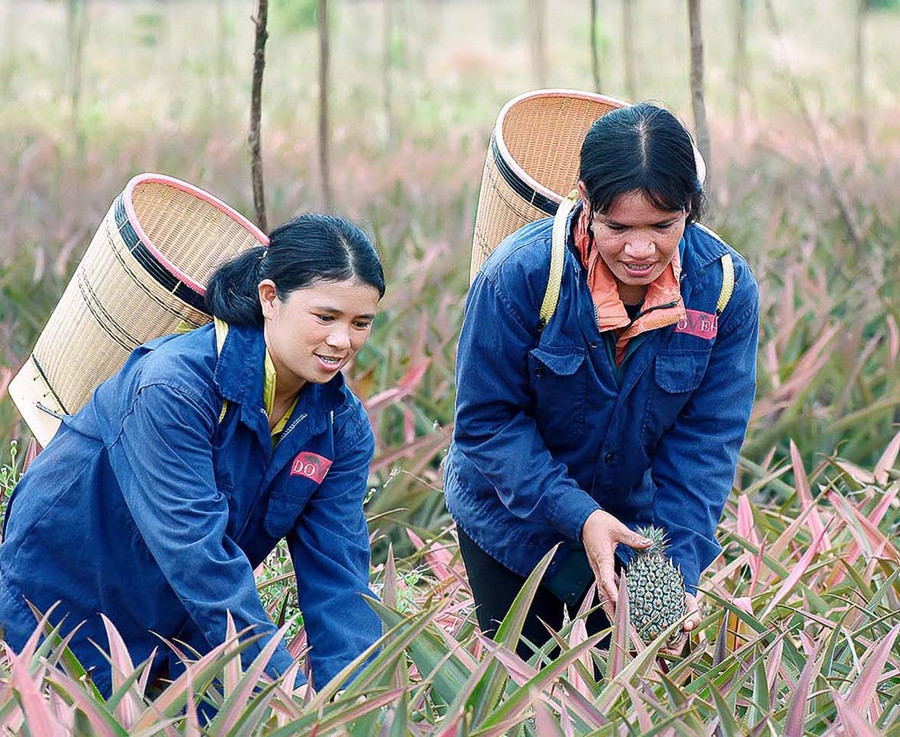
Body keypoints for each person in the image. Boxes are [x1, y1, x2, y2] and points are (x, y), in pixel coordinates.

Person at [0, 213, 385, 696]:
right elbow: (196, 551)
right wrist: (281, 685)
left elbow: (340, 574)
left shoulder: (339, 425)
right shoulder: (175, 387)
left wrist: (356, 701)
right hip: (66, 603)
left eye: (360, 323)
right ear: (270, 298)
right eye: (325, 317)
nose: (342, 341)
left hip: (184, 619)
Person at [444, 102, 759, 657]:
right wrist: (580, 514)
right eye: (618, 228)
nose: (641, 250)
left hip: (634, 528)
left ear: (691, 208)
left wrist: (677, 565)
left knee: (635, 687)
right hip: (512, 522)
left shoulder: (726, 289)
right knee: (521, 682)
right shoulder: (519, 276)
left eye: (663, 227)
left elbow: (706, 442)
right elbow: (487, 425)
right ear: (585, 201)